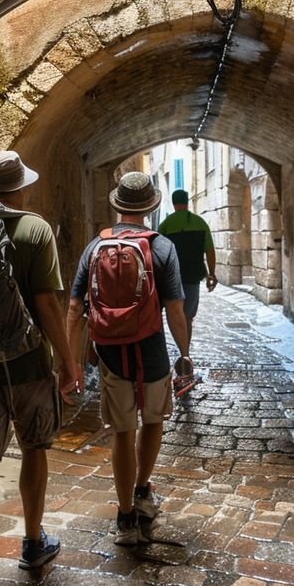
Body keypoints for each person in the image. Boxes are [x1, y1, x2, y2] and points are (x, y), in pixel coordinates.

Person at [0, 151, 82, 586]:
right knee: (34, 448)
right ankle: (31, 541)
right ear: (21, 187)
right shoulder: (35, 229)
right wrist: (68, 360)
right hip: (28, 364)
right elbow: (47, 302)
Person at [64, 172, 191, 545]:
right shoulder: (162, 247)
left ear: (117, 205)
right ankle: (142, 493)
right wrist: (184, 353)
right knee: (152, 420)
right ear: (150, 207)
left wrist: (71, 360)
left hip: (110, 352)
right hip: (150, 350)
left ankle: (124, 518)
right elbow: (176, 310)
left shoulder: (94, 248)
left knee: (122, 430)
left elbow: (74, 307)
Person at [157, 188, 217, 347]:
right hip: (193, 276)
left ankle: (178, 348)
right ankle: (185, 351)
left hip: (171, 277)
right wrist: (212, 274)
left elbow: (157, 253)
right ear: (187, 201)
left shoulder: (165, 224)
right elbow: (210, 250)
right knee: (188, 316)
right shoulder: (200, 223)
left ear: (173, 202)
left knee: (173, 313)